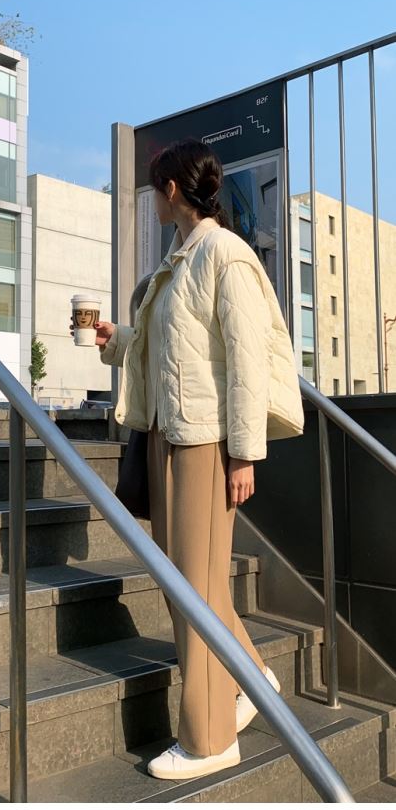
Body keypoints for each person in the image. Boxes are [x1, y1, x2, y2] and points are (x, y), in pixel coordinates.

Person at [96, 137, 303, 781]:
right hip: (169, 434)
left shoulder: (224, 255)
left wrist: (243, 455)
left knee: (194, 590)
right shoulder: (181, 257)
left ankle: (210, 739)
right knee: (192, 583)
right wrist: (117, 339)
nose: (152, 199)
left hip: (206, 444)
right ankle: (253, 674)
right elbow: (174, 346)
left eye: (154, 187)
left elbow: (246, 362)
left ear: (172, 189)